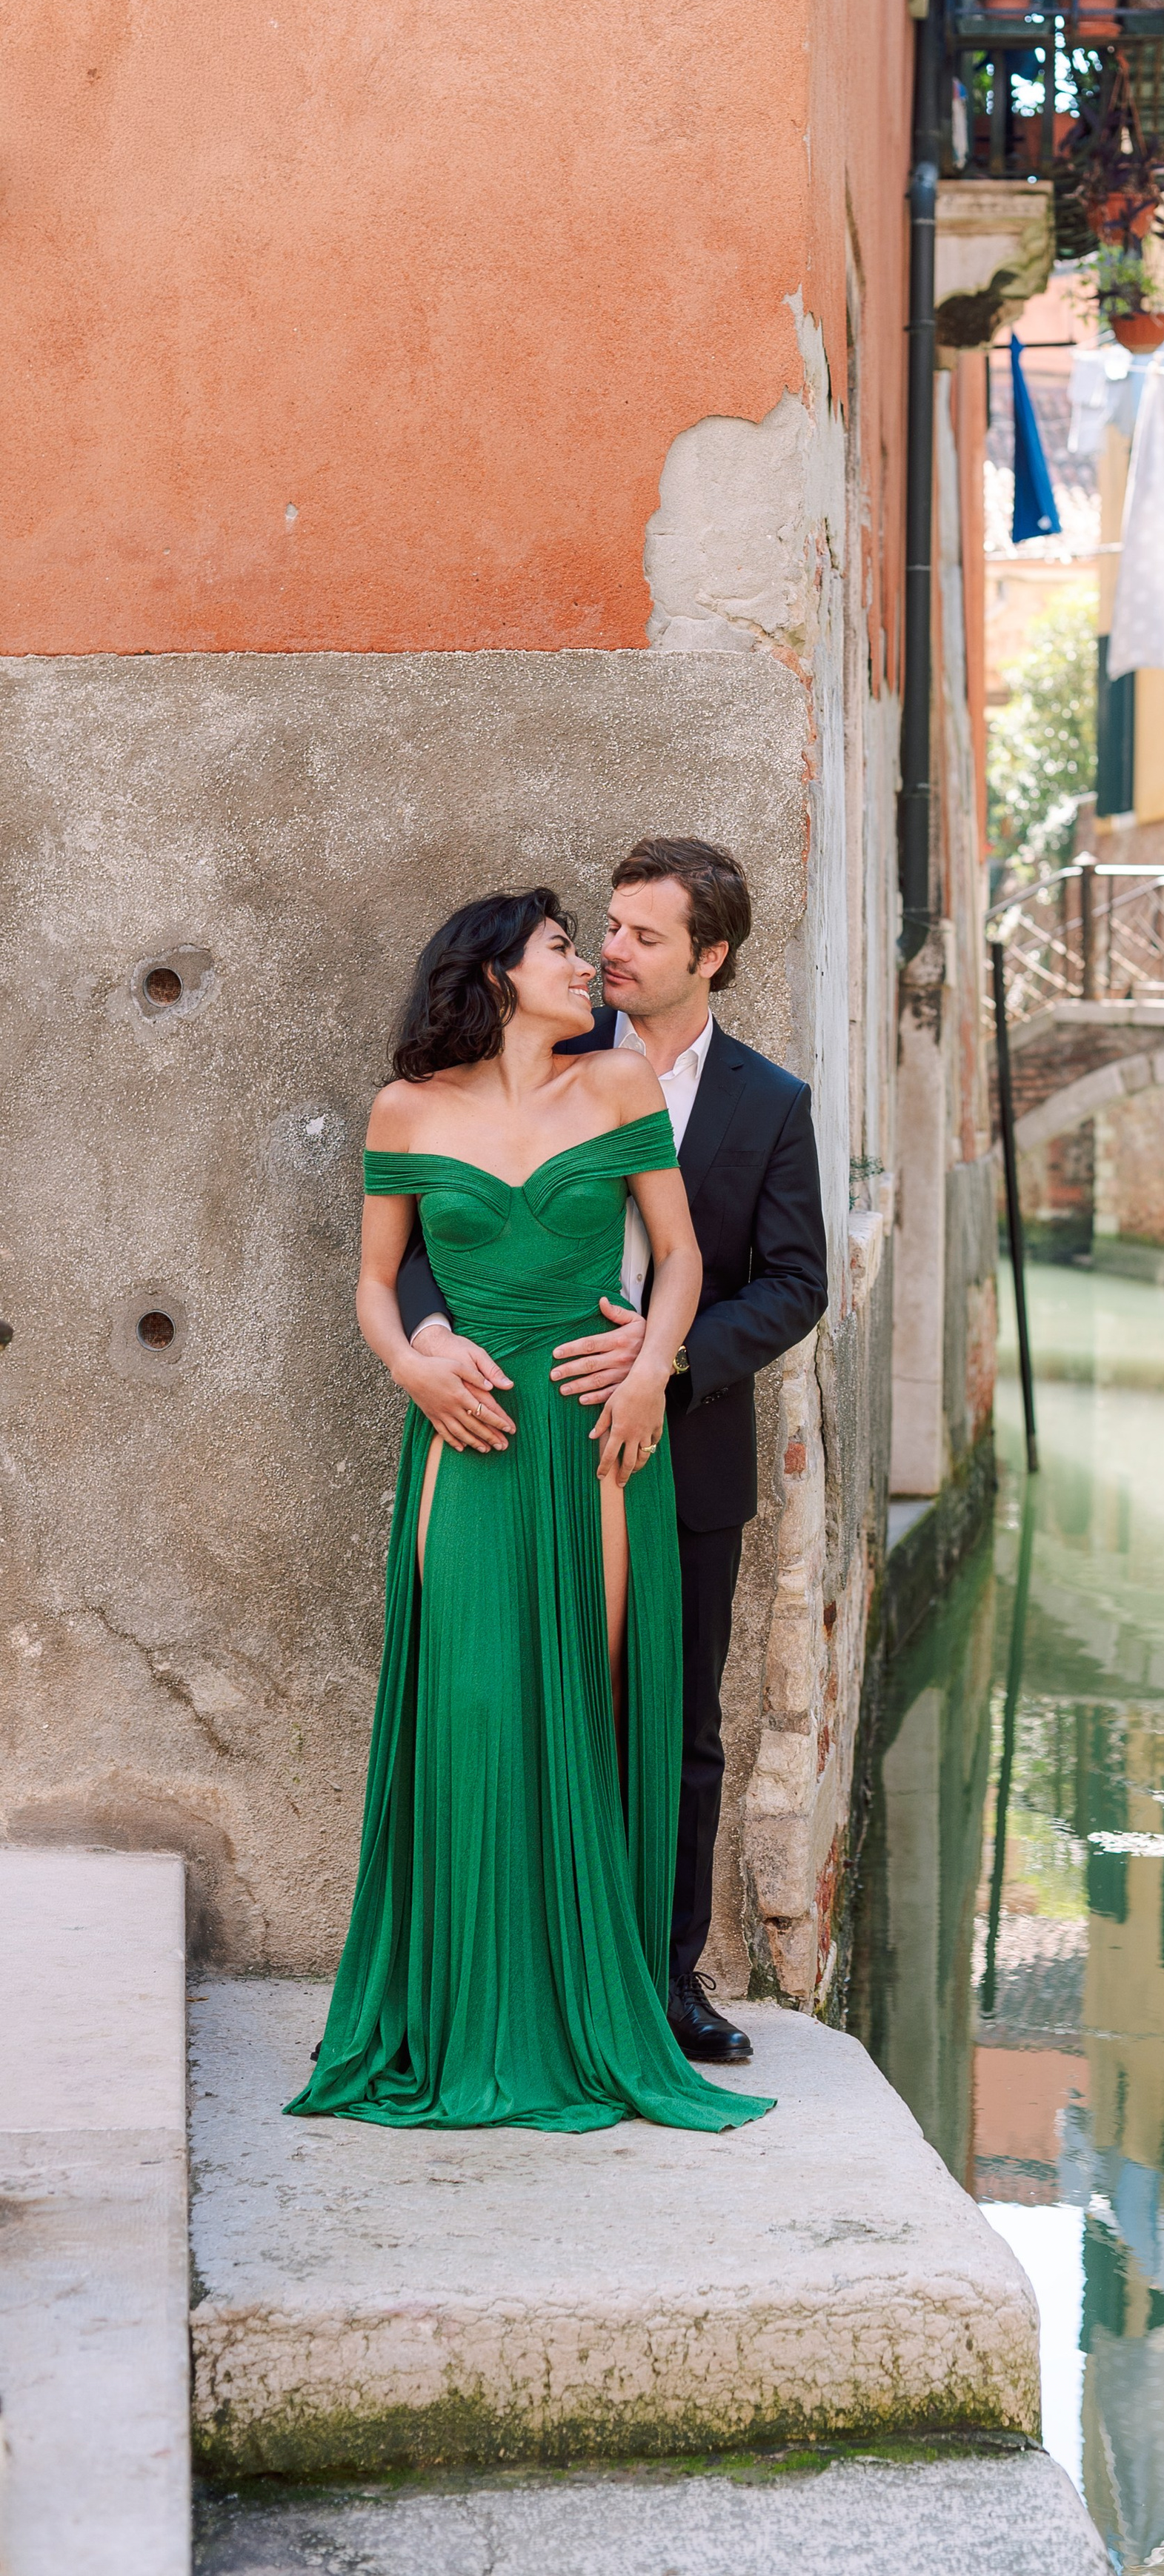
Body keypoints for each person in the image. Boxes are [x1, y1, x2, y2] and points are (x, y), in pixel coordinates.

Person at [290, 887, 773, 2135]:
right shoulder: (406, 1112)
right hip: (467, 1434)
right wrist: (411, 1365)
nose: (588, 964)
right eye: (565, 946)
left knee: (583, 1708)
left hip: (598, 1440)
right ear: (496, 974)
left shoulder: (614, 1091)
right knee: (473, 1708)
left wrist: (654, 1371)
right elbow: (374, 1281)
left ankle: (573, 2012)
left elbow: (681, 1260)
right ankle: (463, 2011)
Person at [396, 839, 828, 2065]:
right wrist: (428, 1334)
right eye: (608, 931)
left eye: (644, 936)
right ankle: (524, 1971)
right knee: (521, 1700)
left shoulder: (770, 1106)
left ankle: (664, 1975)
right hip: (519, 1439)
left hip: (682, 1453)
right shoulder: (543, 1055)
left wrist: (665, 1364)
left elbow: (796, 1284)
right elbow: (429, 1218)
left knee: (677, 1723)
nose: (615, 953)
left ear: (713, 956)